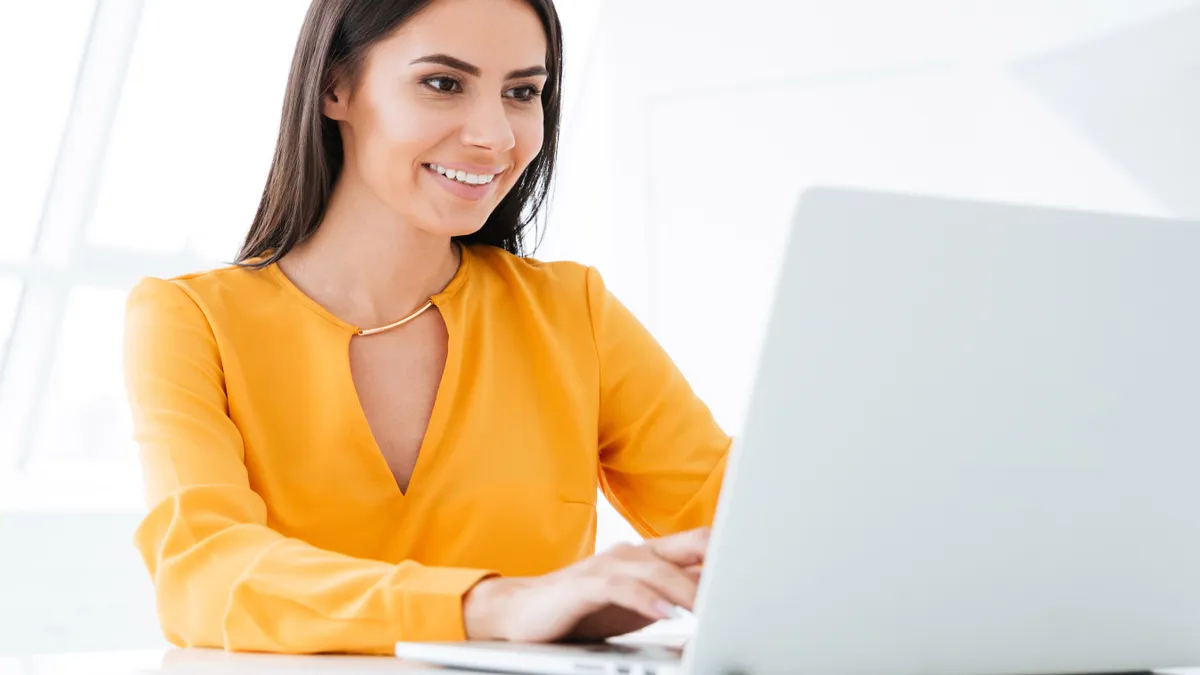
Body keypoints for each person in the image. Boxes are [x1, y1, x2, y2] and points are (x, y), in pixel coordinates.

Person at [123, 0, 731, 656]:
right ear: (335, 87)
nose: (496, 136)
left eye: (522, 91)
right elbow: (205, 574)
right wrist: (492, 604)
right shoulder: (193, 320)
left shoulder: (572, 313)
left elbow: (752, 533)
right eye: (443, 83)